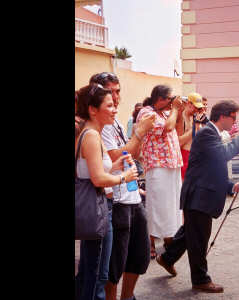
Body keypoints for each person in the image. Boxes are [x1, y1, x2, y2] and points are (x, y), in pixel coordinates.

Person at [155, 100, 239, 293]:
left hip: (200, 193)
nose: (235, 122)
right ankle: (200, 280)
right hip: (199, 196)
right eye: (233, 117)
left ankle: (166, 258)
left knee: (189, 234)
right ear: (223, 116)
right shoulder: (208, 133)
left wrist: (230, 186)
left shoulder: (211, 133)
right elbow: (222, 156)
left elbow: (211, 168)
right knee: (199, 239)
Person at [90, 72, 155, 300]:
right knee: (114, 264)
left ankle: (128, 297)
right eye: (111, 92)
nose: (116, 97)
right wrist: (140, 132)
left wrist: (134, 185)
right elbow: (119, 153)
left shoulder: (114, 120)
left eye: (118, 91)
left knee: (139, 256)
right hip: (116, 201)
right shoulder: (100, 124)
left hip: (131, 195)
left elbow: (131, 153)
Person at [75, 83, 140, 300]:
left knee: (90, 272)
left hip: (97, 209)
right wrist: (124, 177)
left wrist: (117, 165)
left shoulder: (89, 133)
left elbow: (93, 171)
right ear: (93, 109)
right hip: (98, 210)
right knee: (96, 276)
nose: (114, 109)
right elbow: (98, 179)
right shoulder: (92, 135)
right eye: (109, 105)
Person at [136, 85, 184, 260]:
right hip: (158, 166)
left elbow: (176, 130)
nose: (173, 103)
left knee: (171, 207)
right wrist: (176, 109)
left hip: (171, 165)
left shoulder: (164, 112)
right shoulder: (147, 113)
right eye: (171, 99)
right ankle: (149, 244)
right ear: (160, 99)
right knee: (156, 207)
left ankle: (169, 240)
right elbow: (167, 128)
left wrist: (180, 112)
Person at [176, 92, 206, 181]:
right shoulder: (181, 117)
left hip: (194, 156)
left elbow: (199, 138)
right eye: (195, 107)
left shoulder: (194, 117)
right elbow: (179, 142)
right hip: (184, 156)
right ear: (189, 104)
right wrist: (194, 127)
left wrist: (200, 123)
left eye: (199, 108)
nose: (197, 110)